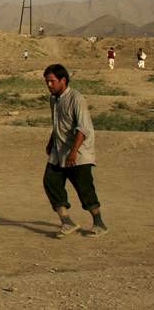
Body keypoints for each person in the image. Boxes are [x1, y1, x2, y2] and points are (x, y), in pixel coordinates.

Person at [42, 64, 108, 238]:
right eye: (47, 82)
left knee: (84, 188)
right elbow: (57, 124)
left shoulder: (76, 98)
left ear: (63, 80)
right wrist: (51, 142)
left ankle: (99, 223)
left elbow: (83, 129)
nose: (49, 85)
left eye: (52, 81)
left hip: (78, 154)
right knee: (50, 182)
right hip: (59, 151)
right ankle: (66, 221)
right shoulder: (54, 99)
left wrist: (73, 152)